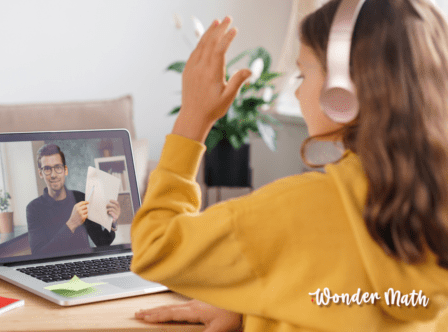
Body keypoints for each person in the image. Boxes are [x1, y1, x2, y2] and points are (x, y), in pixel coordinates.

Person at [130, 0, 448, 331]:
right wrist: (255, 309)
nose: (296, 92)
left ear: (342, 92)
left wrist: (193, 118)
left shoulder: (294, 211)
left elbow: (155, 247)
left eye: (302, 73)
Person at [26, 143, 121, 256]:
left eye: (58, 168)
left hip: (84, 266)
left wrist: (112, 222)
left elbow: (102, 242)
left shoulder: (81, 198)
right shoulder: (34, 209)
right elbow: (38, 254)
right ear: (40, 173)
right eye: (47, 169)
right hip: (55, 270)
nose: (53, 175)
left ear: (65, 170)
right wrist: (71, 224)